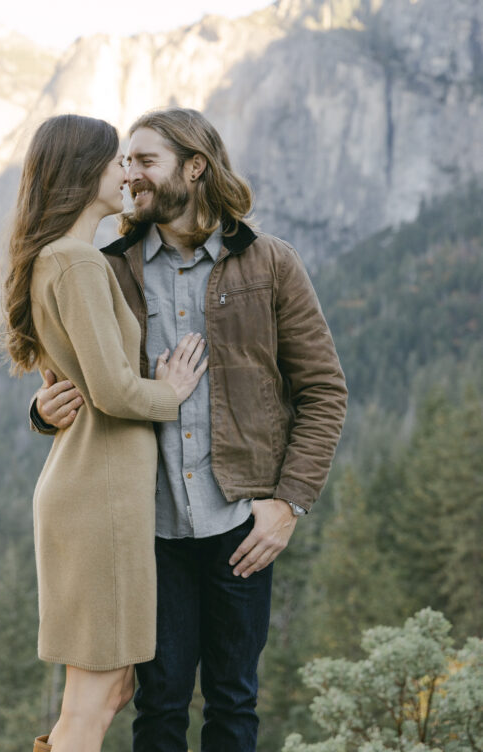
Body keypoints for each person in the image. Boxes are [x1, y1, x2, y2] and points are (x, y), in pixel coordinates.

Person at [31, 107, 348, 752]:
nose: (131, 175)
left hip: (241, 524)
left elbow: (323, 392)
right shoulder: (107, 265)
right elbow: (69, 376)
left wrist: (288, 503)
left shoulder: (270, 265)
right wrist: (40, 412)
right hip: (148, 527)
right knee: (160, 705)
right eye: (126, 162)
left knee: (234, 704)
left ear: (195, 167)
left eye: (146, 161)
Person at [0, 114, 208, 752]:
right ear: (83, 171)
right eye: (117, 161)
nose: (126, 172)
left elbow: (78, 386)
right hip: (99, 497)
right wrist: (170, 394)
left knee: (111, 689)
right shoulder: (77, 263)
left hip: (96, 491)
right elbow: (113, 390)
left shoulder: (60, 260)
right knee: (94, 702)